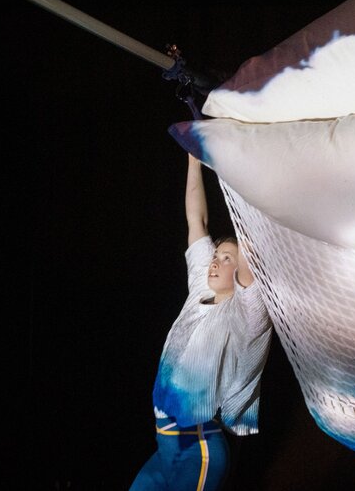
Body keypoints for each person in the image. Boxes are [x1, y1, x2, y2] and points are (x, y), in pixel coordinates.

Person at [129, 154, 273, 491]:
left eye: (226, 259)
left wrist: (243, 175)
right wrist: (194, 160)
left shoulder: (247, 316)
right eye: (214, 256)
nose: (215, 262)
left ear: (240, 270)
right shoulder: (200, 287)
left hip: (200, 447)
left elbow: (250, 253)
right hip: (165, 448)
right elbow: (197, 220)